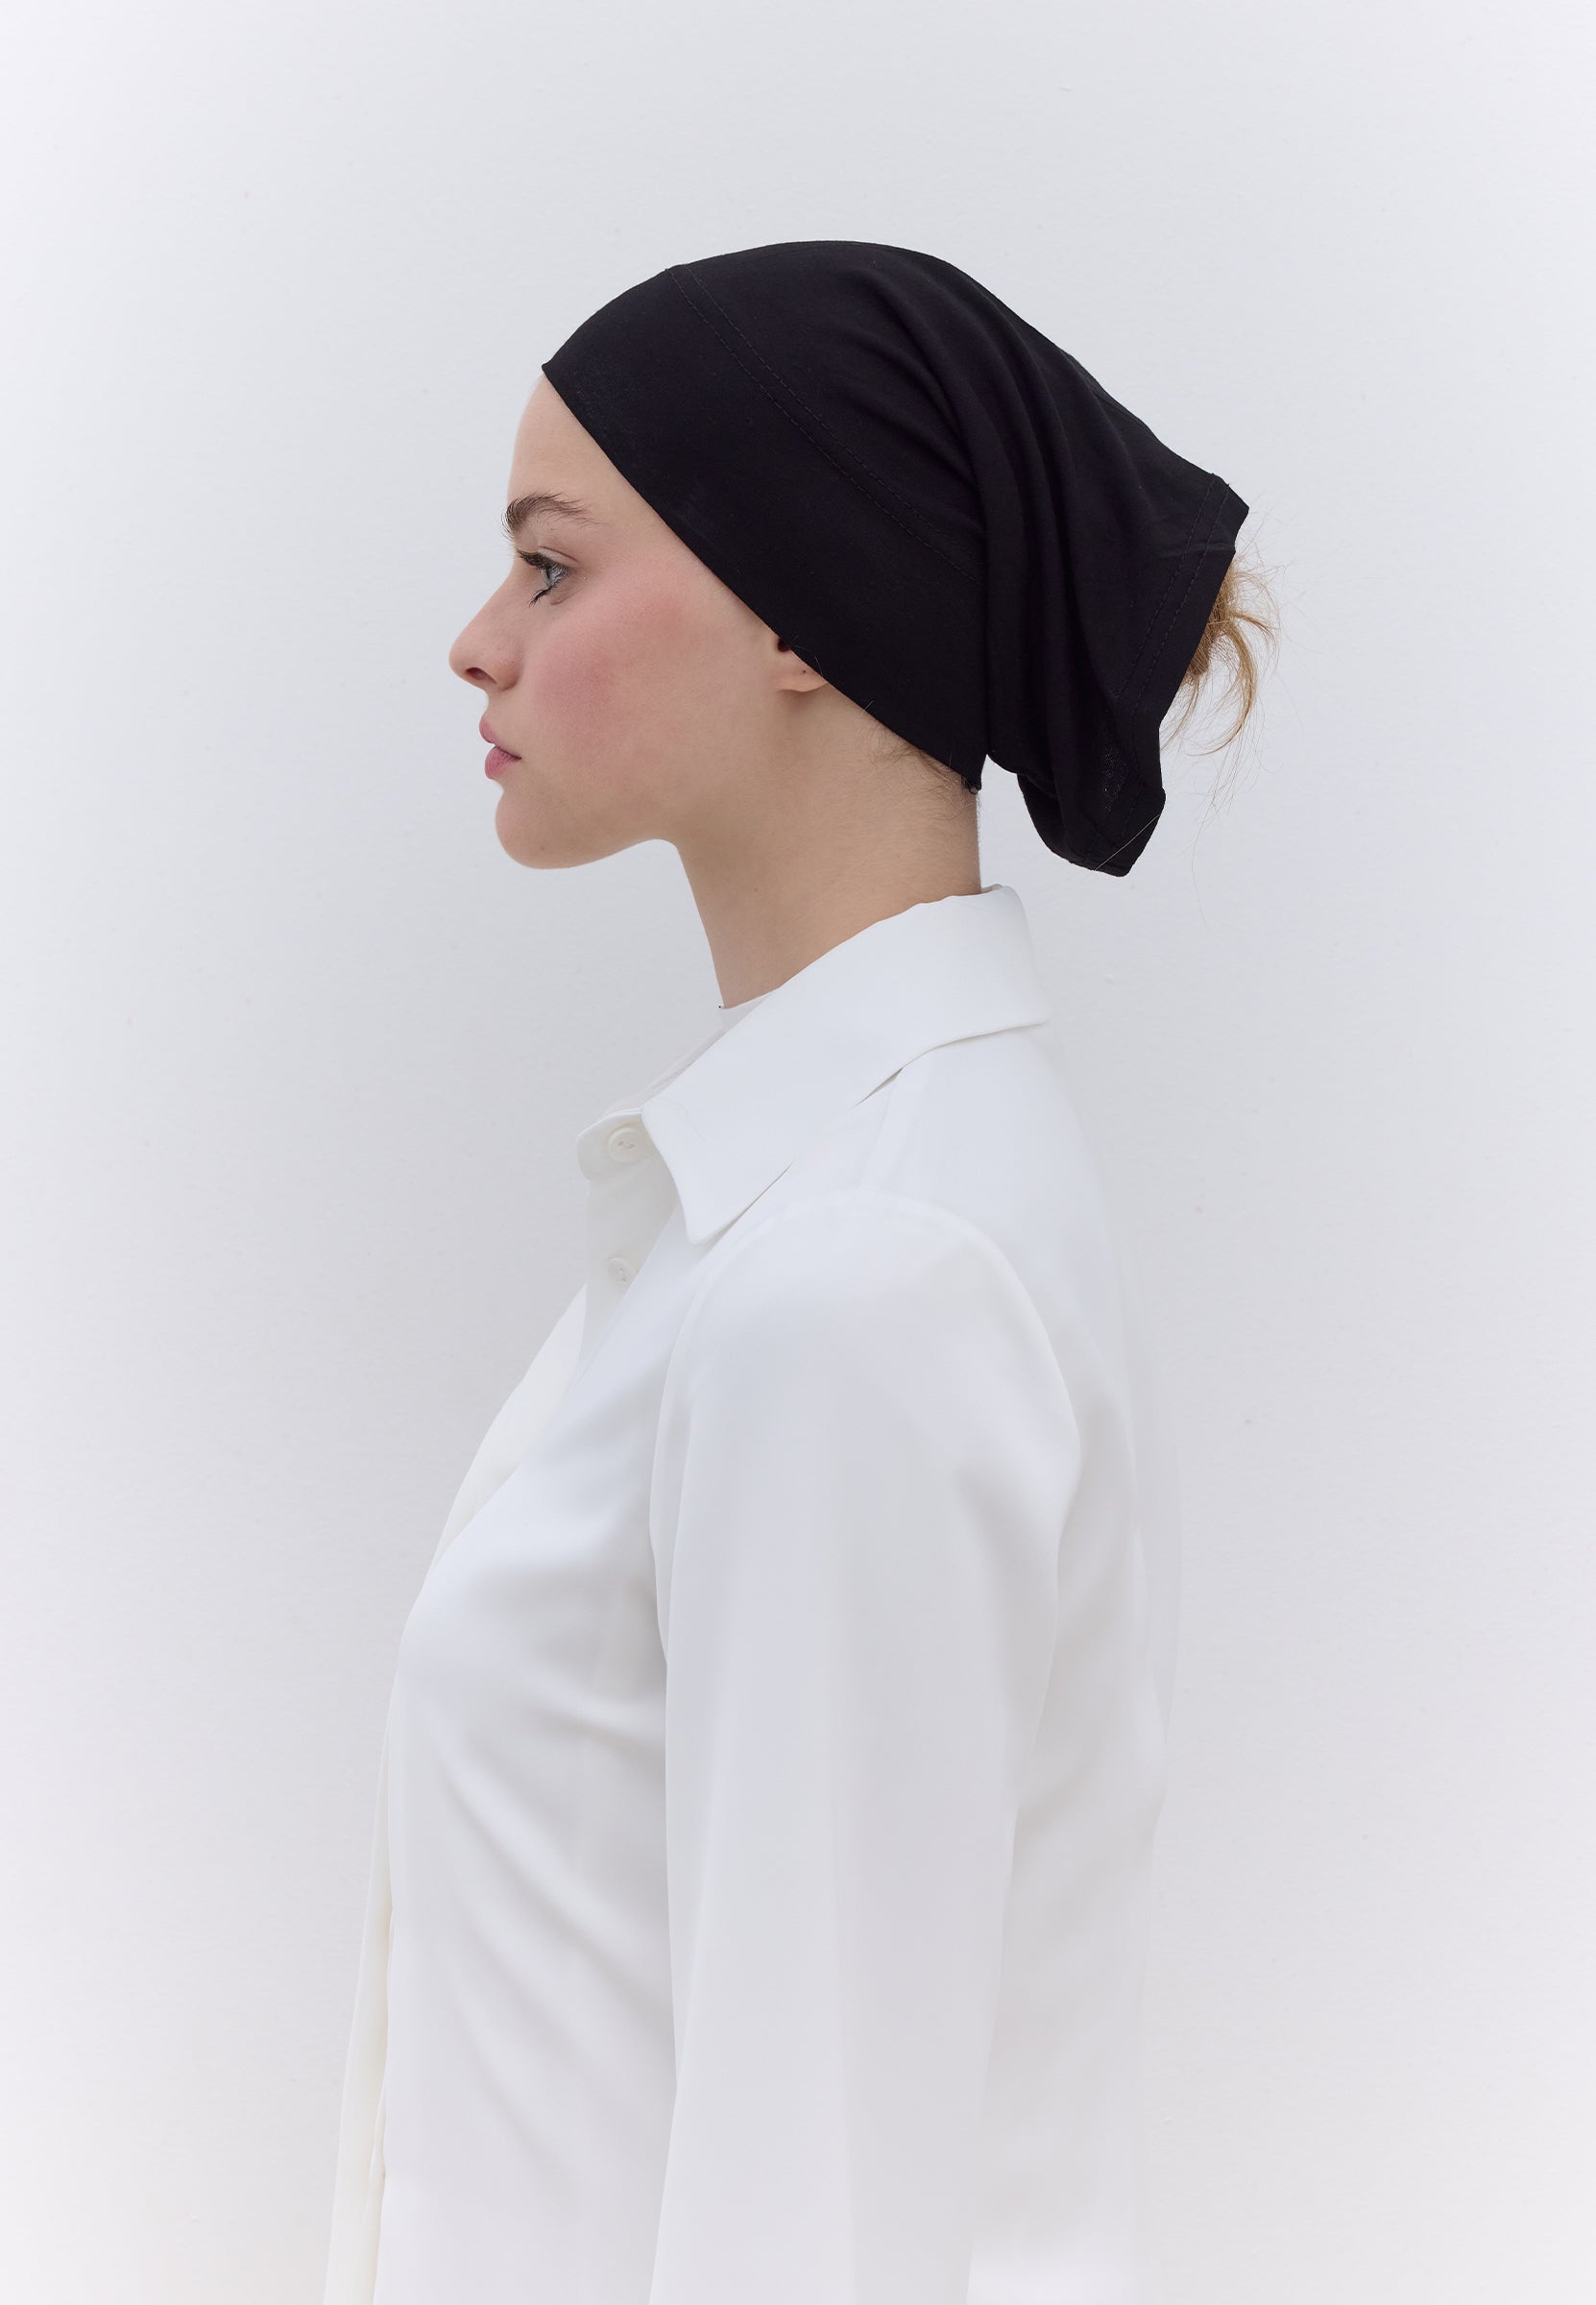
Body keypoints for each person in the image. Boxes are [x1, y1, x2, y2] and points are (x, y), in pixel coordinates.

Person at [321, 240, 1277, 2305]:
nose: (476, 644)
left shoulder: (855, 1277)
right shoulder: (809, 1208)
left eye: (550, 568)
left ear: (797, 612)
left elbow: (815, 2223)